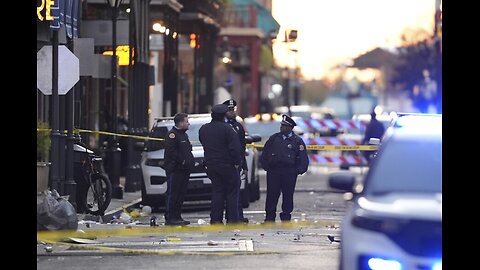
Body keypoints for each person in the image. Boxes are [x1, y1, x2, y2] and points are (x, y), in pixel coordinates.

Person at [260, 114, 309, 222]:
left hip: (289, 172)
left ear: (291, 128)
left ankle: (286, 216)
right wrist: (266, 166)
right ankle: (270, 217)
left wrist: (299, 170)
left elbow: (302, 156)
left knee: (288, 195)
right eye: (282, 125)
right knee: (272, 194)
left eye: (285, 126)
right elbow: (265, 153)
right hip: (274, 171)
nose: (282, 128)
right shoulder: (274, 138)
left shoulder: (297, 141)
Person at [199, 104, 243, 225]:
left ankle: (216, 219)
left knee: (217, 192)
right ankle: (233, 219)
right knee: (232, 192)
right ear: (224, 115)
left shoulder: (204, 129)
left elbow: (204, 143)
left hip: (211, 165)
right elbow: (235, 148)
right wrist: (237, 163)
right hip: (227, 165)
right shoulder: (228, 129)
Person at [164, 113, 195, 226]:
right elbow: (172, 152)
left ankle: (177, 217)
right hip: (176, 170)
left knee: (181, 194)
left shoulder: (183, 135)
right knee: (173, 194)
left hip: (184, 170)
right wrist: (181, 161)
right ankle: (170, 217)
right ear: (181, 123)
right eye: (187, 121)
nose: (188, 123)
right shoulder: (172, 135)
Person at [223, 99, 249, 223]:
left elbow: (242, 146)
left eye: (233, 110)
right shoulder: (222, 126)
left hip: (236, 163)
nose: (232, 113)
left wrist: (243, 164)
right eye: (229, 110)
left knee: (236, 190)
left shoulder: (238, 126)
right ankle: (230, 216)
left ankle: (237, 215)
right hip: (225, 163)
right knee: (226, 191)